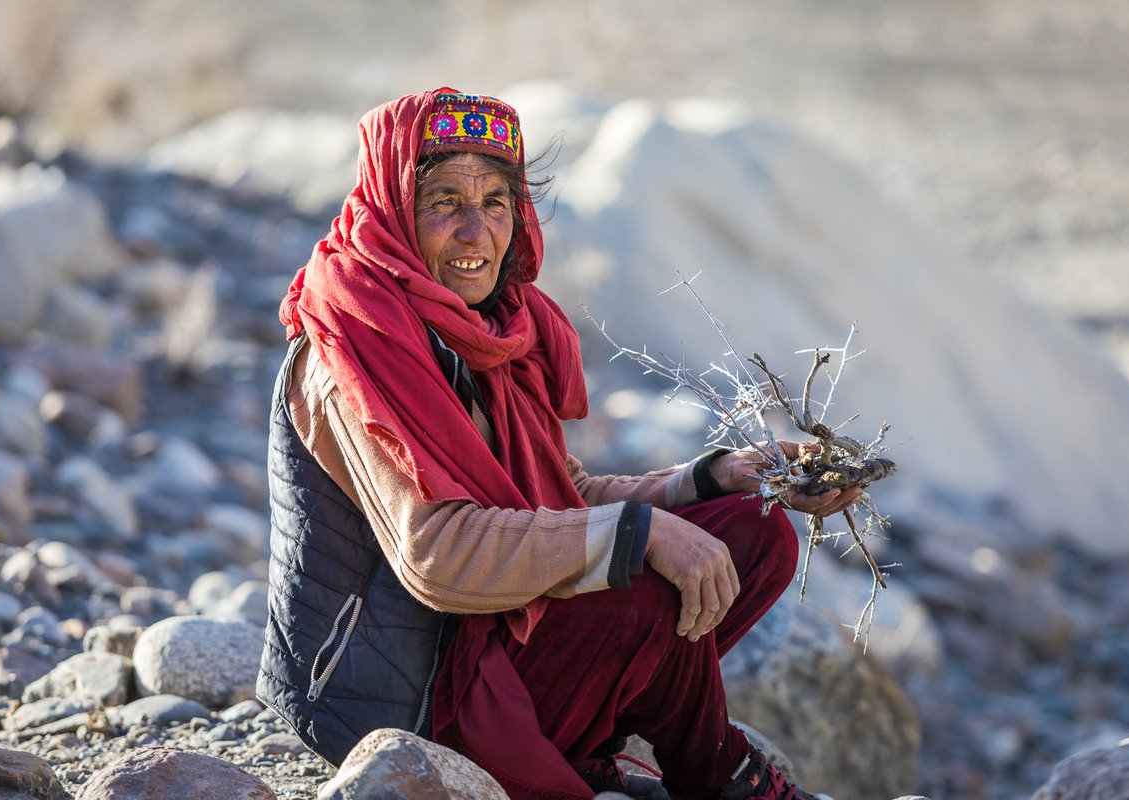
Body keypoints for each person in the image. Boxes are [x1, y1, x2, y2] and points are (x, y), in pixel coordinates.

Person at [257, 87, 861, 800]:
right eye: (443, 200)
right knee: (642, 587)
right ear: (392, 207)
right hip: (404, 694)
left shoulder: (487, 332)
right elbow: (437, 556)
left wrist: (720, 477)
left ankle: (601, 731)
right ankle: (715, 769)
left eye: (495, 203)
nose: (475, 232)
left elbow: (556, 500)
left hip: (486, 639)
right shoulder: (353, 345)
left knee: (753, 530)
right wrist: (639, 535)